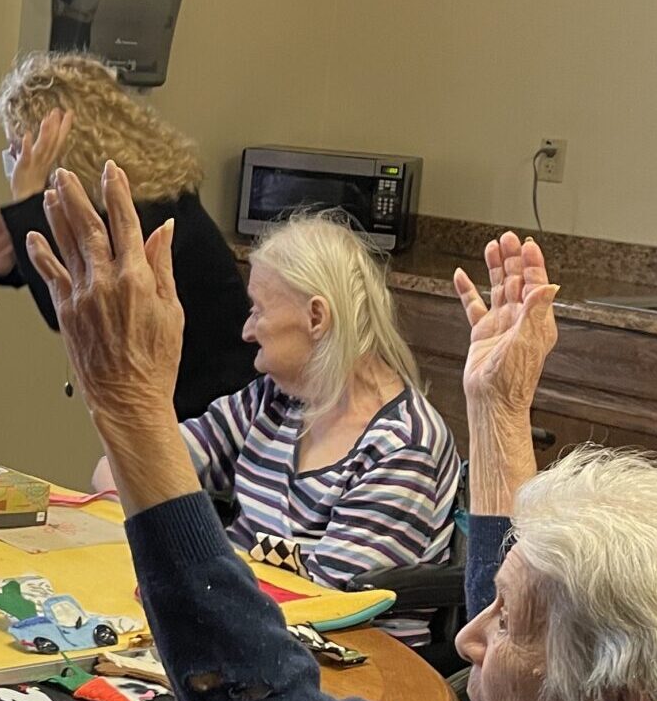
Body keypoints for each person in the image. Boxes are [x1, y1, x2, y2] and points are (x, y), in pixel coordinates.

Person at [18, 161, 657, 701]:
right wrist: (497, 409)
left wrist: (129, 403)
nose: (466, 636)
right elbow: (526, 614)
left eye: (505, 624)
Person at [92, 211, 460, 589]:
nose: (248, 331)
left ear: (316, 317)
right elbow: (125, 468)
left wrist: (188, 563)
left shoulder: (401, 448)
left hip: (335, 641)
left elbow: (330, 602)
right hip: (242, 616)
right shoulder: (273, 401)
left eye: (259, 310)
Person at [0, 51, 257, 419]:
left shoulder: (144, 212)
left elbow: (85, 308)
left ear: (62, 146)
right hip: (186, 398)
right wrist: (12, 259)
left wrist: (28, 197)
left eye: (22, 148)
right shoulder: (152, 192)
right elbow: (76, 253)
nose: (17, 160)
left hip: (209, 411)